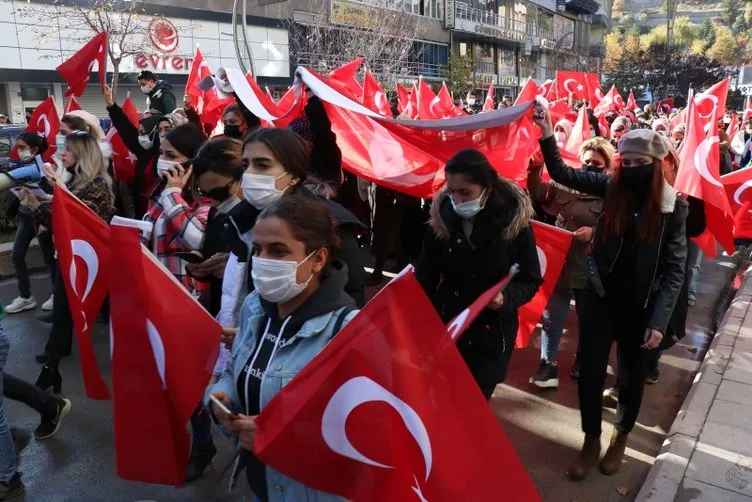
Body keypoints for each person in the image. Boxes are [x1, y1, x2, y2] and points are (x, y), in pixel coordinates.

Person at [533, 103, 687, 481]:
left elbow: (673, 270)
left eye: (639, 163)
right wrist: (548, 128)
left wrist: (659, 320)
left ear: (655, 164)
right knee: (589, 374)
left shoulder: (674, 207)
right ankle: (590, 440)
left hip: (642, 307)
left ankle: (619, 437)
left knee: (631, 378)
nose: (631, 170)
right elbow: (560, 172)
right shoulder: (609, 185)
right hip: (600, 296)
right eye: (626, 162)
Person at [206, 195, 358, 499]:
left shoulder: (348, 330)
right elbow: (236, 370)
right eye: (258, 250)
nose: (263, 262)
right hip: (261, 483)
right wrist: (220, 400)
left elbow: (360, 434)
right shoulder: (254, 308)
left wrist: (282, 439)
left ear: (317, 259)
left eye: (278, 251)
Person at [415, 149, 543, 400]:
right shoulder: (440, 222)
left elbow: (530, 280)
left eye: (466, 193)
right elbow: (425, 277)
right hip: (450, 330)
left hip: (490, 338)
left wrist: (505, 297)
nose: (457, 200)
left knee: (472, 410)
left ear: (487, 189)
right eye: (451, 191)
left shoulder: (514, 225)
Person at [224, 127, 366, 307]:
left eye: (262, 165)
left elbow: (352, 290)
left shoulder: (329, 222)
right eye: (245, 165)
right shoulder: (240, 217)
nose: (249, 174)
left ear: (294, 176)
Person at [26, 129, 115, 393]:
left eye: (68, 149)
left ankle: (51, 370)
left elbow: (75, 218)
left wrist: (55, 192)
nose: (61, 153)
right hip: (71, 257)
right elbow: (58, 219)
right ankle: (52, 366)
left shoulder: (97, 185)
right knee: (64, 313)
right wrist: (38, 202)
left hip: (88, 261)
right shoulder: (75, 181)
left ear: (83, 154)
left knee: (67, 310)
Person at [527, 137, 616, 388]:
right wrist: (534, 168)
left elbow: (619, 228)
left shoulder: (613, 192)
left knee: (589, 320)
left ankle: (583, 360)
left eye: (596, 164)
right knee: (552, 318)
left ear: (607, 167)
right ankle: (548, 365)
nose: (590, 166)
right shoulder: (565, 184)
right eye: (586, 161)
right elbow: (539, 194)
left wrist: (595, 234)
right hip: (560, 262)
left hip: (590, 268)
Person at [141, 123, 211, 295]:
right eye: (162, 154)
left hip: (186, 295)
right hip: (155, 289)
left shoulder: (204, 200)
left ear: (192, 161)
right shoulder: (160, 194)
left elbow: (197, 239)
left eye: (171, 155)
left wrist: (173, 194)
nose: (162, 160)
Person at [4, 133, 56, 315]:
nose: (18, 151)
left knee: (49, 259)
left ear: (34, 149)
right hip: (26, 217)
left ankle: (57, 294)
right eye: (17, 147)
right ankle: (25, 297)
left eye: (21, 147)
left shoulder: (43, 168)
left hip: (41, 218)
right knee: (16, 256)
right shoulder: (23, 166)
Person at [104, 84, 162, 217]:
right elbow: (126, 129)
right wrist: (111, 105)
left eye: (144, 132)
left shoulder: (171, 153)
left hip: (161, 212)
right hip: (142, 212)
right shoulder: (143, 151)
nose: (141, 136)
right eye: (139, 132)